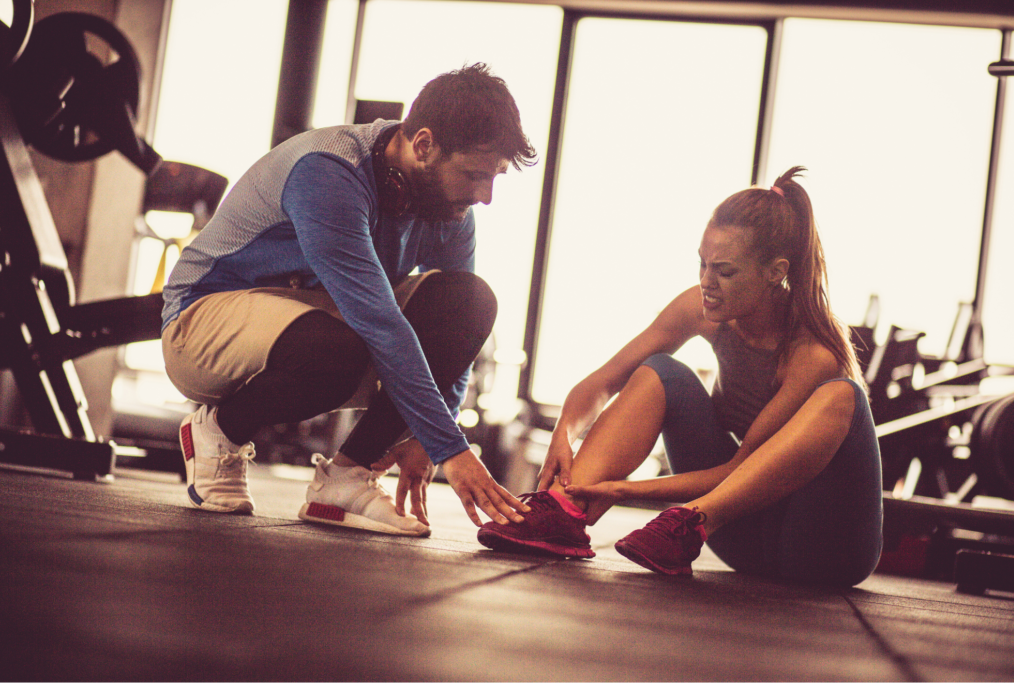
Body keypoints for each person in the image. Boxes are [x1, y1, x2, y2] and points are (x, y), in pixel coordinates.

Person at [161, 63, 533, 537]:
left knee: (469, 301)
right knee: (346, 342)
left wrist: (427, 434)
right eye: (475, 175)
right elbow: (380, 324)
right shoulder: (328, 171)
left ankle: (346, 478)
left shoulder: (448, 208)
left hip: (319, 321)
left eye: (495, 177)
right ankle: (219, 430)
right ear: (423, 146)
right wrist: (451, 448)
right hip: (200, 325)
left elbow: (458, 337)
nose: (486, 196)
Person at [478, 167, 883, 587]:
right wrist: (565, 431)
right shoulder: (702, 310)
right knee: (661, 372)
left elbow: (742, 470)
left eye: (724, 271)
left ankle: (682, 523)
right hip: (743, 541)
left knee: (843, 396)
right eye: (702, 264)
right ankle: (565, 511)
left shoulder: (812, 352)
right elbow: (604, 380)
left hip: (823, 550)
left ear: (775, 272)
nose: (707, 282)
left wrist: (623, 491)